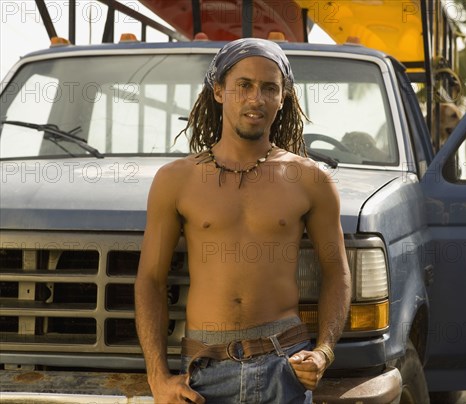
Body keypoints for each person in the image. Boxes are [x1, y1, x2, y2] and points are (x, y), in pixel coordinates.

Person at [134, 37, 351, 404]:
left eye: (270, 88)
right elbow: (150, 280)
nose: (257, 99)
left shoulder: (311, 180)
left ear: (283, 97)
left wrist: (323, 352)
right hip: (203, 374)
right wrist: (157, 376)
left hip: (286, 366)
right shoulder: (176, 180)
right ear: (219, 91)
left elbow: (338, 272)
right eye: (244, 86)